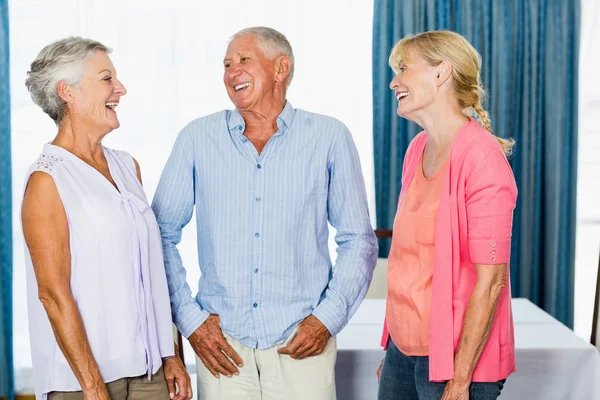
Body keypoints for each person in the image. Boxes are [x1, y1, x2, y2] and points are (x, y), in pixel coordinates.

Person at [152, 26, 378, 400]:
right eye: (226, 64)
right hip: (223, 349)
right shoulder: (196, 138)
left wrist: (326, 319)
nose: (231, 72)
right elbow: (159, 234)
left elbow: (358, 241)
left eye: (244, 60)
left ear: (280, 68)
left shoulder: (329, 137)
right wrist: (191, 321)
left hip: (302, 345)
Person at [21, 37, 192, 400]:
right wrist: (94, 387)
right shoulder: (47, 180)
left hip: (150, 373)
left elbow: (151, 271)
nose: (120, 89)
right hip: (86, 383)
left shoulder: (127, 166)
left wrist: (171, 354)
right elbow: (53, 294)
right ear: (67, 92)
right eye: (106, 79)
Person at [376, 30, 518, 400]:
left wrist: (460, 381)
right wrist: (394, 350)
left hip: (455, 360)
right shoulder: (417, 148)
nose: (394, 82)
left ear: (441, 74)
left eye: (404, 69)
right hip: (403, 352)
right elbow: (409, 259)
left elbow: (492, 281)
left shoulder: (483, 159)